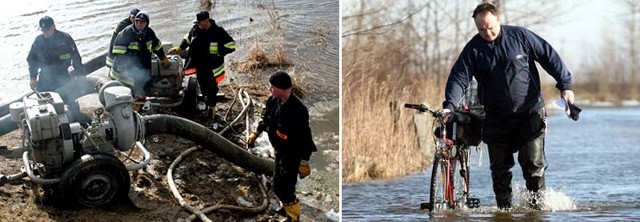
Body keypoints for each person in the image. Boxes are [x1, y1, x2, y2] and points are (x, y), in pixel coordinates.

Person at [442, 3, 575, 209]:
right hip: (495, 116)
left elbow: (549, 56)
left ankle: (536, 210)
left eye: (490, 27)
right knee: (499, 169)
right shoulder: (473, 49)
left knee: (533, 165)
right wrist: (449, 105)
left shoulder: (521, 37)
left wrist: (565, 86)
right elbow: (459, 78)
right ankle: (504, 210)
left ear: (498, 20)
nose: (487, 32)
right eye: (481, 29)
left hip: (530, 113)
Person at [246, 71, 317, 221]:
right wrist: (256, 133)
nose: (269, 89)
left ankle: (293, 216)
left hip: (292, 154)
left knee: (285, 187)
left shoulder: (298, 110)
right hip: (279, 150)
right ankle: (286, 207)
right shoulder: (273, 101)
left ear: (282, 88)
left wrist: (304, 161)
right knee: (277, 182)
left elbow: (305, 138)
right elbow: (266, 120)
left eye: (272, 87)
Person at [167, 11, 236, 120]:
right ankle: (206, 101)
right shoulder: (196, 29)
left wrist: (220, 52)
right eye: (198, 23)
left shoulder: (218, 32)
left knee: (212, 88)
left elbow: (231, 45)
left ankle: (212, 109)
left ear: (206, 21)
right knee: (203, 86)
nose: (198, 25)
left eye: (200, 23)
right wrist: (180, 48)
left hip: (212, 67)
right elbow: (187, 38)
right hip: (200, 65)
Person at [110, 11, 171, 96]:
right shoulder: (125, 34)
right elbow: (119, 54)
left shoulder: (149, 33)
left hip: (143, 69)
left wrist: (163, 58)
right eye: (137, 21)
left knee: (145, 88)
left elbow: (157, 46)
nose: (139, 24)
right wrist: (123, 69)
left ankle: (143, 102)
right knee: (129, 93)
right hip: (125, 71)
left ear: (147, 23)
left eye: (142, 22)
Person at [27, 16, 85, 92]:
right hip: (45, 78)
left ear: (53, 26)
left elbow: (75, 57)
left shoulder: (65, 38)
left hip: (63, 75)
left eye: (48, 29)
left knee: (70, 97)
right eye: (43, 30)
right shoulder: (38, 41)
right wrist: (33, 78)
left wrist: (79, 72)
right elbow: (32, 60)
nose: (46, 32)